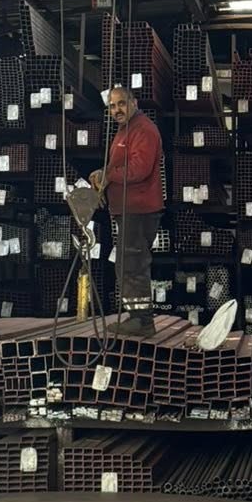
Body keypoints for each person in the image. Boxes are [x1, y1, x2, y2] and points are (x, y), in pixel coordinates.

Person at [91, 84, 164, 334]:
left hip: (139, 210)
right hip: (128, 209)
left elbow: (139, 169)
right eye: (112, 106)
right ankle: (137, 316)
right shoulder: (125, 130)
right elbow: (120, 167)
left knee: (132, 264)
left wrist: (108, 175)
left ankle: (142, 320)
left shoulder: (143, 130)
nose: (116, 109)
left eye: (121, 103)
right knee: (127, 264)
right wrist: (102, 176)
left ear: (134, 103)